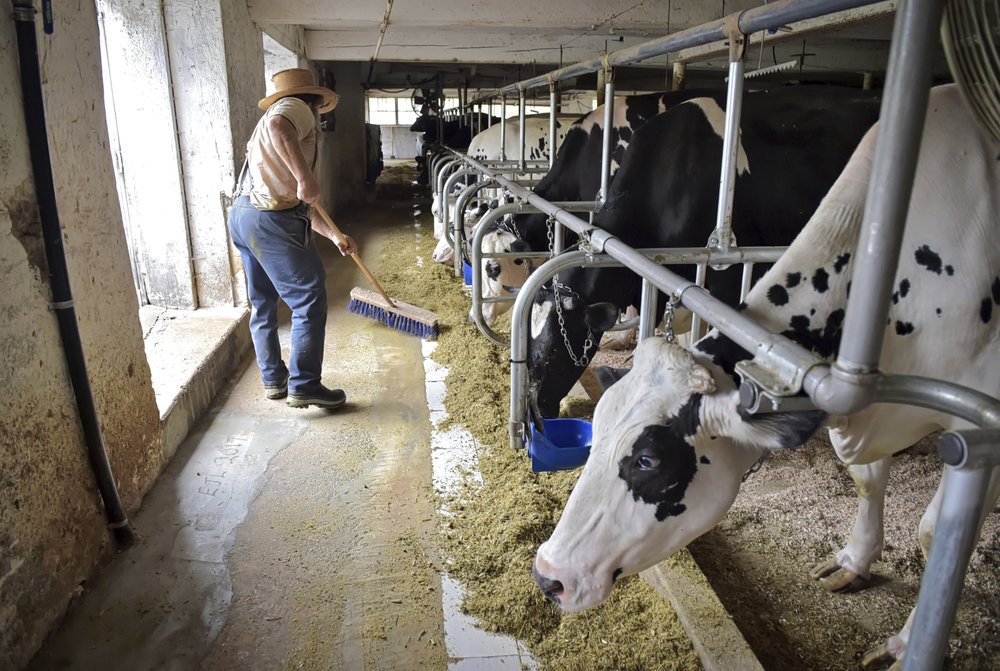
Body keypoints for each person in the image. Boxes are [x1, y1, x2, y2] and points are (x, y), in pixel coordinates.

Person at [228, 68, 357, 409]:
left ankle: (275, 380)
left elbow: (300, 204)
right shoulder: (295, 108)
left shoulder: (265, 130)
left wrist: (334, 235)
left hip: (243, 214)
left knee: (263, 303)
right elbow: (279, 128)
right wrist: (304, 177)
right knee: (309, 298)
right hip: (272, 221)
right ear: (315, 101)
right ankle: (304, 384)